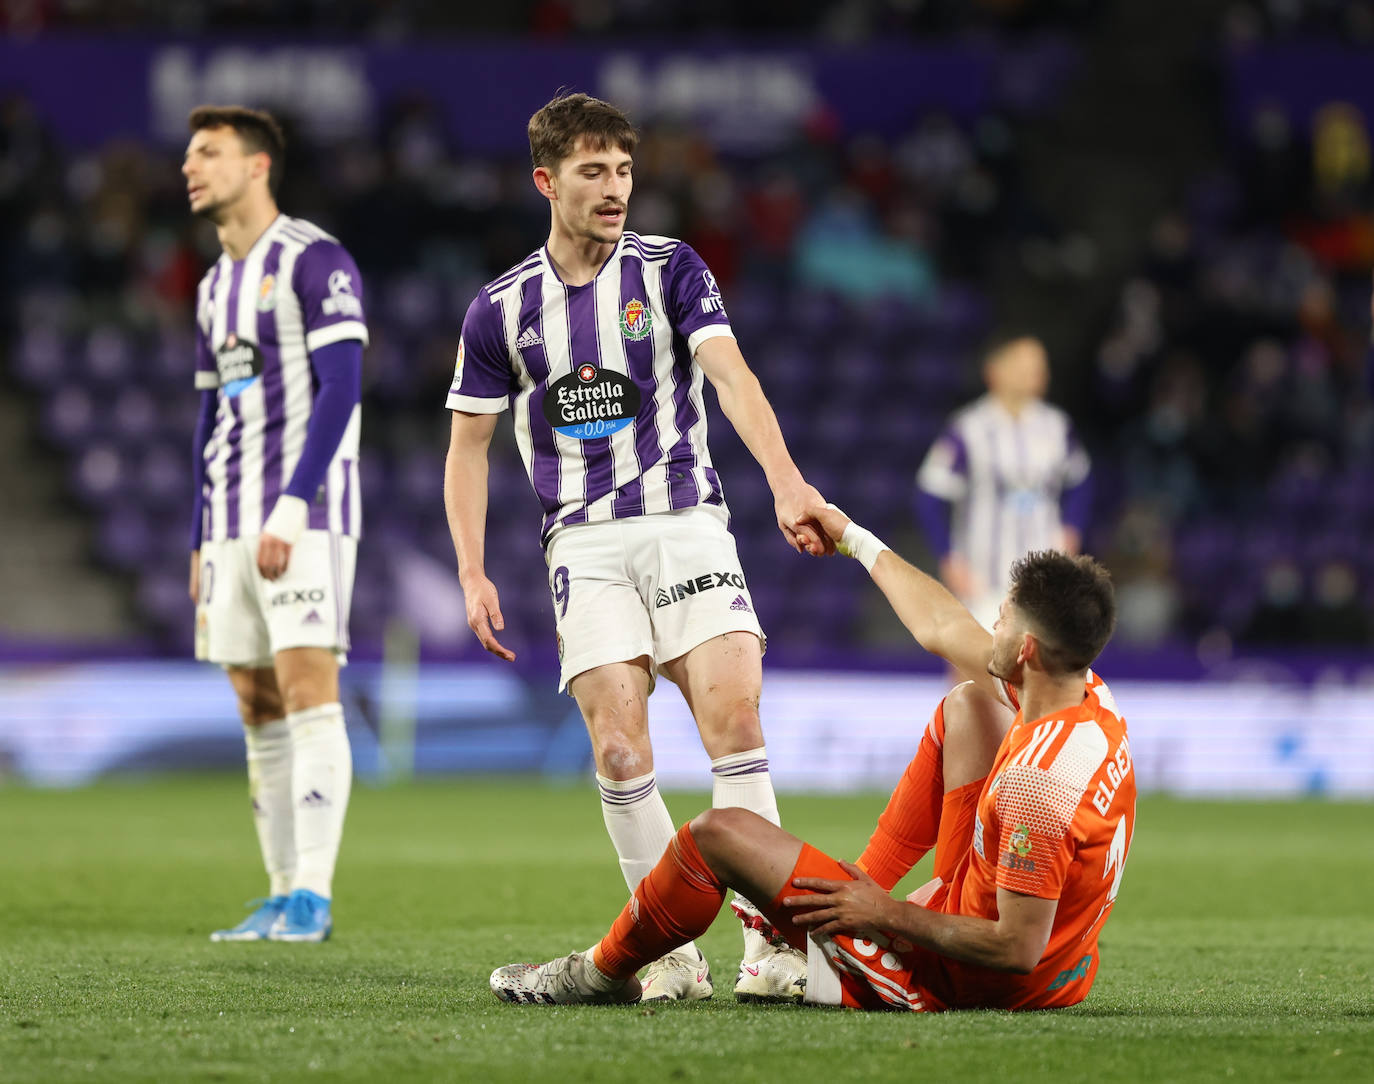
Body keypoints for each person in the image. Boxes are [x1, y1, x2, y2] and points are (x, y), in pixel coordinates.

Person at [443, 92, 829, 1002]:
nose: (615, 189)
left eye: (623, 170)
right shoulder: (500, 310)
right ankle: (669, 953)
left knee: (734, 722)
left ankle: (773, 948)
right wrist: (471, 567)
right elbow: (468, 445)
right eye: (592, 172)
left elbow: (730, 374)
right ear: (547, 181)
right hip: (583, 542)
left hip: (687, 518)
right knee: (620, 753)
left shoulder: (671, 270)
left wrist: (786, 481)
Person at [489, 503, 1135, 1013]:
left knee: (716, 835)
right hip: (1061, 965)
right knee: (969, 706)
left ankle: (599, 973)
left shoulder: (1036, 786)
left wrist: (884, 914)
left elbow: (1015, 948)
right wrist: (852, 535)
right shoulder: (1085, 700)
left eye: (1001, 621)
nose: (987, 628)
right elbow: (941, 627)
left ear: (1025, 651)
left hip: (971, 980)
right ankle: (838, 908)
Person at [184, 105, 367, 943]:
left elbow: (342, 387)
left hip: (308, 513)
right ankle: (280, 889)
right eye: (191, 154)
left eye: (210, 152)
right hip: (228, 522)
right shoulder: (212, 285)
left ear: (257, 166)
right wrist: (198, 537)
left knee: (305, 690)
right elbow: (210, 418)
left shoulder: (313, 258)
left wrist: (291, 507)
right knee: (254, 701)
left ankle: (314, 898)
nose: (191, 166)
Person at [916, 335, 1092, 630]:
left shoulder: (1056, 426)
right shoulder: (968, 428)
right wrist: (948, 557)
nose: (1039, 374)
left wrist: (1071, 529)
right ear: (996, 371)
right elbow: (930, 494)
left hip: (1043, 577)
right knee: (974, 664)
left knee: (1042, 666)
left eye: (1040, 366)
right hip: (983, 577)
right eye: (1027, 366)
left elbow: (1081, 481)